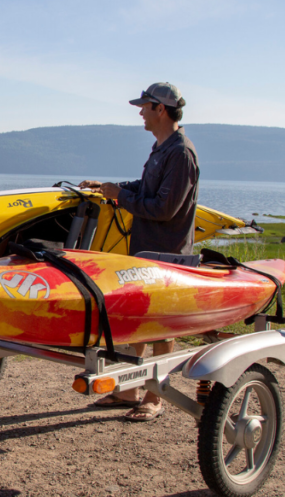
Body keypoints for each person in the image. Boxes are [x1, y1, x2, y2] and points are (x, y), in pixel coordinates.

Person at [78, 82, 199, 422]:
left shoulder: (181, 153)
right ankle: (129, 391)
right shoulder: (163, 148)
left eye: (144, 106)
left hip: (168, 255)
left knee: (161, 327)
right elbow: (146, 188)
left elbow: (164, 208)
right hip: (147, 251)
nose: (141, 112)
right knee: (140, 321)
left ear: (161, 109)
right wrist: (108, 187)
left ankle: (154, 397)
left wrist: (122, 197)